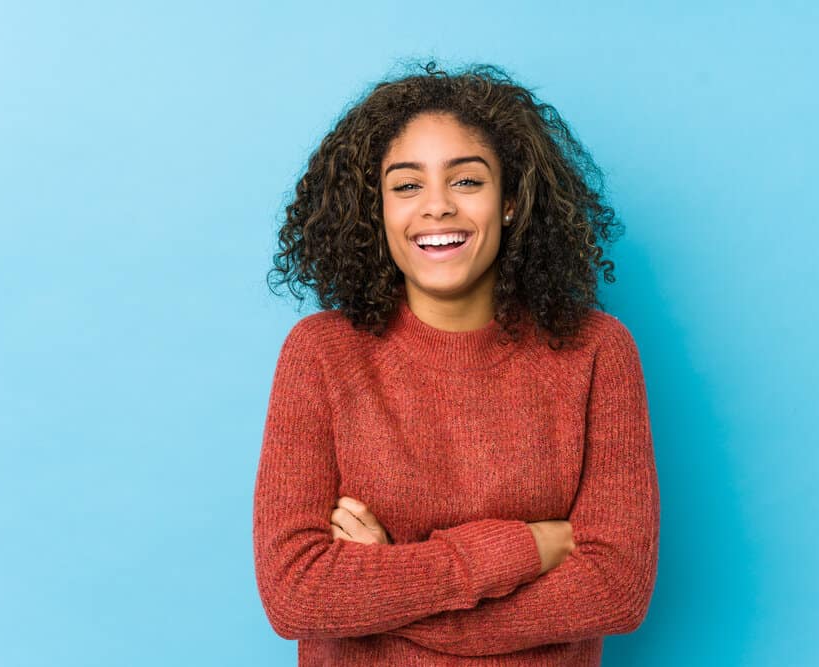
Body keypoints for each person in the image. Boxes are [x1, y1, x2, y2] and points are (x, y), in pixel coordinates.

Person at [253, 62, 660, 666]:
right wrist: (525, 547)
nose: (436, 207)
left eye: (467, 182)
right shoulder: (321, 353)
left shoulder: (597, 351)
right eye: (407, 185)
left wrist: (386, 591)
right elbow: (297, 595)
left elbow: (617, 589)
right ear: (378, 210)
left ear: (512, 202)